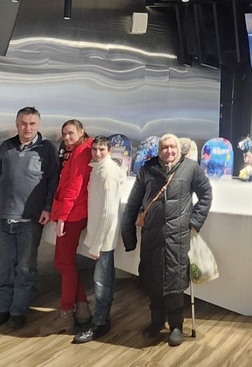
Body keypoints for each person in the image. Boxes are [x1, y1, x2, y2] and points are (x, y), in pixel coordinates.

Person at [121, 133, 213, 347]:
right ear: (159, 150)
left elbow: (206, 194)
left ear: (178, 149)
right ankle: (156, 322)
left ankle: (176, 326)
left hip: (177, 237)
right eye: (164, 147)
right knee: (153, 281)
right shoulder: (147, 170)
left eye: (172, 147)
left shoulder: (190, 168)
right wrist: (128, 237)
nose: (169, 151)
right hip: (152, 236)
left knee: (175, 282)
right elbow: (133, 204)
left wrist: (194, 221)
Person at [0, 107, 60, 330]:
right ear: (17, 124)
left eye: (32, 124)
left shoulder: (47, 149)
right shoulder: (6, 147)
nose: (27, 128)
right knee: (2, 267)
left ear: (38, 125)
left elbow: (53, 181)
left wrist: (47, 208)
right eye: (23, 123)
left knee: (25, 268)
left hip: (30, 220)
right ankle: (1, 309)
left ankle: (19, 311)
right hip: (3, 218)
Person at [43, 120, 94, 334]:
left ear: (81, 132)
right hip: (73, 212)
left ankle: (66, 314)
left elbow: (75, 186)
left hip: (73, 214)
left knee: (63, 262)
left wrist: (62, 216)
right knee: (65, 263)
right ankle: (82, 310)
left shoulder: (81, 151)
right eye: (64, 134)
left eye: (71, 133)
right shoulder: (78, 150)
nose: (66, 137)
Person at [73, 136, 125, 344]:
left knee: (101, 281)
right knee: (105, 278)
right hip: (100, 234)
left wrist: (96, 243)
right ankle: (102, 319)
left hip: (104, 237)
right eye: (94, 149)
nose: (97, 153)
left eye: (102, 149)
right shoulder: (97, 168)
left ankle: (100, 322)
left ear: (109, 151)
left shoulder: (107, 172)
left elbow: (108, 212)